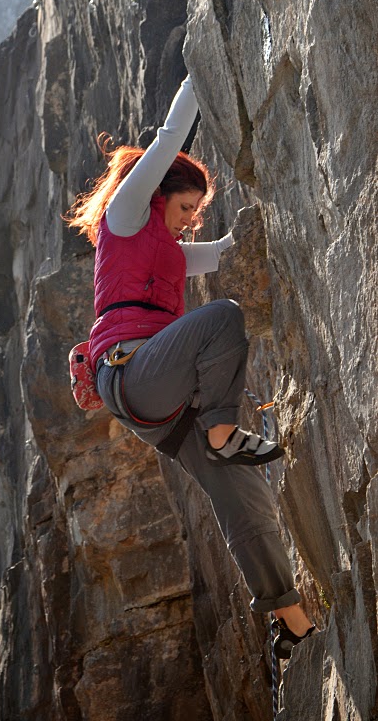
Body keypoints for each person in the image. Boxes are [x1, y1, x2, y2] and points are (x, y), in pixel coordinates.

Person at [66, 72, 315, 658]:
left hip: (161, 407)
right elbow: (170, 134)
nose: (188, 220)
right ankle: (224, 430)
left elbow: (231, 249)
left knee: (244, 500)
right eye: (184, 207)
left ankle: (293, 622)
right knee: (223, 318)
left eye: (195, 212)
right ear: (158, 195)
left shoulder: (170, 253)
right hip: (130, 372)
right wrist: (199, 67)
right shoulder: (126, 217)